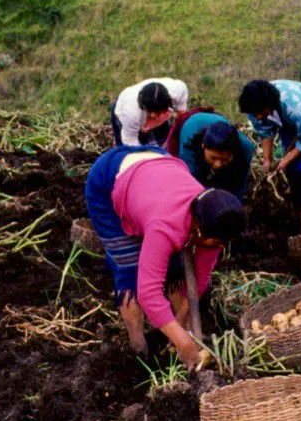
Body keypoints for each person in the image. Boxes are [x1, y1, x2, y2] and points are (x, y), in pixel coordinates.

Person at [85, 145, 245, 369]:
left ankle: (171, 329)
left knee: (176, 269)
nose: (219, 247)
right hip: (109, 179)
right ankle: (139, 350)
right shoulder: (165, 228)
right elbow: (148, 293)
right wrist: (183, 342)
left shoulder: (215, 219)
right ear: (197, 228)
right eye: (216, 243)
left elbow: (199, 278)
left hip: (159, 167)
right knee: (130, 270)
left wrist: (180, 318)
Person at [238, 80, 301, 233]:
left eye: (261, 113)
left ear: (269, 105)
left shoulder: (292, 106)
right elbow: (265, 132)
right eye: (254, 114)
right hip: (288, 117)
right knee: (293, 168)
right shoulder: (254, 110)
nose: (257, 117)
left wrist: (286, 159)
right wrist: (267, 160)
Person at [174, 111, 255, 200]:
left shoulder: (245, 149)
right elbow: (191, 184)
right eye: (213, 158)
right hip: (193, 125)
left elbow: (238, 184)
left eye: (224, 159)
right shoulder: (189, 144)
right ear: (203, 146)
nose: (218, 164)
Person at [111, 78, 189, 147]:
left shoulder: (177, 90)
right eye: (150, 113)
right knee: (125, 153)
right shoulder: (130, 114)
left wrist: (181, 121)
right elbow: (130, 143)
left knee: (162, 142)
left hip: (158, 112)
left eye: (156, 114)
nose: (152, 115)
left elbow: (182, 114)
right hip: (124, 111)